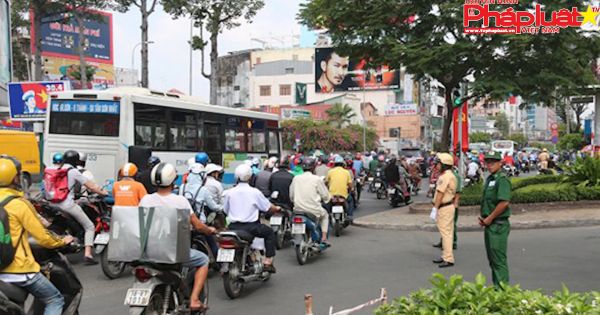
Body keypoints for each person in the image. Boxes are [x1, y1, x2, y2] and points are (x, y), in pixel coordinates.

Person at [0, 155, 74, 315]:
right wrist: (62, 240)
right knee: (55, 299)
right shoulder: (19, 203)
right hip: (19, 270)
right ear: (14, 177)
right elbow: (43, 237)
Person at [139, 162, 215, 311]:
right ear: (173, 181)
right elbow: (198, 225)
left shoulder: (146, 200)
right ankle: (194, 300)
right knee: (203, 260)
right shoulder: (180, 201)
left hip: (147, 252)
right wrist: (209, 231)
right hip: (172, 252)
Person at [47, 150, 107, 264]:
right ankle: (88, 254)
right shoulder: (73, 171)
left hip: (51, 203)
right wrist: (103, 193)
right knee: (89, 226)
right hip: (66, 204)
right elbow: (91, 186)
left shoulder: (52, 169)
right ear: (76, 161)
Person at [223, 164, 280, 273]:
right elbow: (267, 207)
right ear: (250, 177)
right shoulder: (255, 192)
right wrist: (276, 208)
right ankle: (268, 262)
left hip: (233, 227)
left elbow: (225, 210)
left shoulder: (230, 192)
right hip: (251, 227)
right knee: (269, 233)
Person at [479, 151, 512, 287]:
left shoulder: (502, 179)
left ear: (500, 163)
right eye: (488, 162)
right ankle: (497, 287)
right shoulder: (490, 179)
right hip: (490, 224)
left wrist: (490, 218)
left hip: (498, 225)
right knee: (492, 260)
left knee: (498, 260)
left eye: (493, 161)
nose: (490, 164)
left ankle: (502, 292)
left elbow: (504, 202)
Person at [289, 157, 332, 246]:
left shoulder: (296, 178)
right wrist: (327, 199)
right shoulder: (317, 179)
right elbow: (325, 196)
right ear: (313, 167)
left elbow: (291, 196)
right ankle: (324, 238)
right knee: (325, 216)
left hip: (298, 210)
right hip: (313, 210)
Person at [431, 153, 457, 268]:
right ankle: (446, 255)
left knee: (445, 233)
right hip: (447, 207)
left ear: (444, 165)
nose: (436, 166)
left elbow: (440, 193)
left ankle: (448, 258)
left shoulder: (445, 176)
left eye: (438, 163)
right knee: (448, 233)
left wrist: (435, 208)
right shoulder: (449, 175)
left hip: (444, 207)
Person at [326, 155, 354, 220]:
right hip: (343, 195)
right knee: (351, 201)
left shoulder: (330, 171)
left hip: (332, 195)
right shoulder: (347, 172)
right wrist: (352, 189)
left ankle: (327, 215)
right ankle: (350, 215)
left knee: (325, 203)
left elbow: (326, 182)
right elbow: (350, 184)